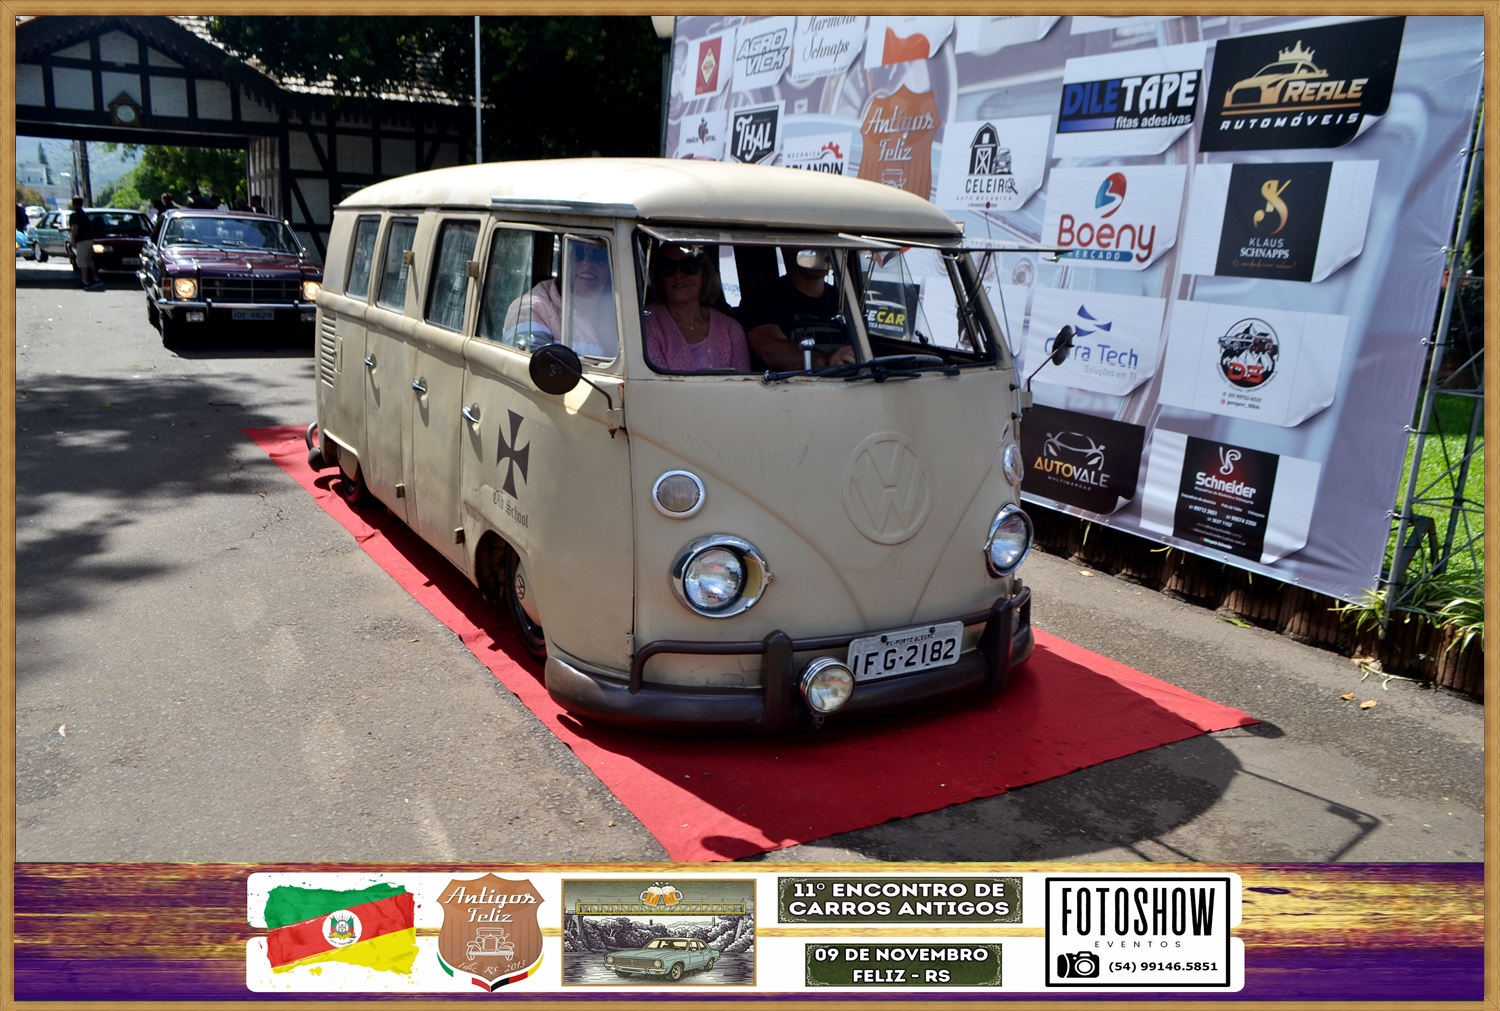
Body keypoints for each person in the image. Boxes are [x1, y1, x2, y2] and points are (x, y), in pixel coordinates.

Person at [740, 246, 857, 370]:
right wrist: (827, 360)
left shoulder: (846, 301)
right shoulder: (761, 299)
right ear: (788, 249)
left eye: (826, 246)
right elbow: (772, 350)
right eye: (812, 244)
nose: (821, 251)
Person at [502, 239, 618, 358]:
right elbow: (537, 366)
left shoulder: (620, 310)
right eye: (577, 254)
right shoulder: (531, 308)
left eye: (599, 256)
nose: (587, 263)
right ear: (562, 262)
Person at [643, 244, 750, 372]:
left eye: (689, 266)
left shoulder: (731, 329)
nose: (678, 275)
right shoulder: (645, 324)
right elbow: (656, 382)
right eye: (668, 267)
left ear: (705, 274)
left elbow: (743, 382)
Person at [69, 196, 102, 290]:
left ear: (73, 204)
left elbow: (75, 227)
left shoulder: (75, 215)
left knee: (81, 261)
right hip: (89, 239)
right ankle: (96, 279)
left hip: (82, 240)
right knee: (89, 260)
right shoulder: (84, 215)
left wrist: (72, 239)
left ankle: (84, 281)